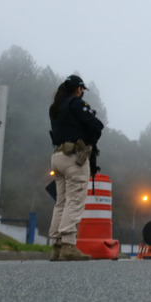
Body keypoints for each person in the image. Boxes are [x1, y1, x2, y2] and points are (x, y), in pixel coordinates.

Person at [48, 75, 104, 261]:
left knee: (61, 202)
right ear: (78, 89)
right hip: (74, 158)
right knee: (75, 200)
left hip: (57, 156)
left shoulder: (55, 107)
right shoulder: (76, 104)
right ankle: (68, 245)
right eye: (81, 90)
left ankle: (56, 245)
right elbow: (96, 125)